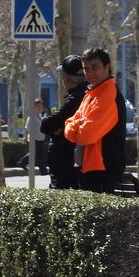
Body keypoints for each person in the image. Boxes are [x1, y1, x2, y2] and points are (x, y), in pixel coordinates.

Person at [64, 47, 127, 193]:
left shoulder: (108, 94)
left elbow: (86, 135)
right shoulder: (91, 94)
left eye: (95, 67)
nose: (90, 73)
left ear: (108, 67)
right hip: (90, 168)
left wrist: (78, 124)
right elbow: (68, 129)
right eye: (86, 68)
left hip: (103, 170)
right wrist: (79, 124)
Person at [40, 55, 87, 190]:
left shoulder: (75, 98)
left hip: (65, 161)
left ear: (66, 77)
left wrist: (57, 126)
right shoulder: (84, 94)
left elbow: (47, 125)